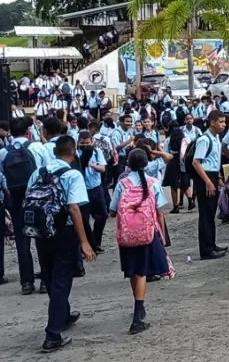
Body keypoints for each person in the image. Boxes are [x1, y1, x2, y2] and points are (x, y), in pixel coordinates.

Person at [28, 135, 96, 352]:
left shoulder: (38, 173)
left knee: (50, 277)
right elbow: (74, 208)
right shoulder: (72, 174)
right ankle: (53, 334)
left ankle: (62, 315)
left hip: (40, 232)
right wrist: (84, 241)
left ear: (55, 151)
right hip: (63, 233)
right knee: (61, 281)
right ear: (73, 152)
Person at [110, 148, 171, 335]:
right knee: (143, 272)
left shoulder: (122, 183)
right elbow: (160, 208)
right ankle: (138, 312)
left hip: (127, 235)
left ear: (128, 164)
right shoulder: (153, 182)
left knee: (133, 271)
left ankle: (137, 304)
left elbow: (112, 210)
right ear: (146, 163)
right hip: (146, 232)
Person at [0, 119, 49, 295]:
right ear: (28, 131)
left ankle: (26, 282)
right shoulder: (38, 148)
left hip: (15, 200)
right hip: (37, 199)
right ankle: (45, 279)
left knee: (22, 242)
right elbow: (48, 171)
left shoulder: (4, 153)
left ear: (10, 133)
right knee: (42, 238)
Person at [191, 110, 227, 260]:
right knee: (206, 214)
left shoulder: (216, 138)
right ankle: (206, 249)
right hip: (204, 177)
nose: (223, 125)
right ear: (212, 122)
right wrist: (207, 181)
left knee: (211, 213)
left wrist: (217, 177)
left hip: (212, 175)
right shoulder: (204, 139)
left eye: (224, 122)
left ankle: (211, 244)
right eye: (221, 122)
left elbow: (214, 161)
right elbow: (196, 162)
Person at [75, 131, 108, 254]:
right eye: (82, 143)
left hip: (96, 187)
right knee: (84, 219)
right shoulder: (76, 154)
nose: (85, 145)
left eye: (87, 143)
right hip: (82, 190)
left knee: (102, 216)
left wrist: (89, 163)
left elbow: (103, 168)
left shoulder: (96, 151)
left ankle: (96, 241)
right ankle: (88, 245)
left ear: (92, 141)